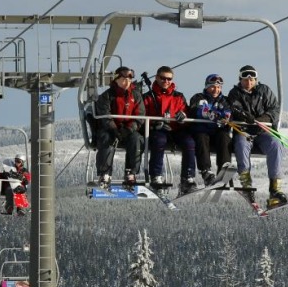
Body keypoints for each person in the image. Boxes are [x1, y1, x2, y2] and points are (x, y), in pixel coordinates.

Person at [226, 64, 287, 207]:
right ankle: (246, 183)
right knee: (241, 145)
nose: (249, 82)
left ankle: (275, 189)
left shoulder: (264, 90)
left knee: (276, 145)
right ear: (240, 80)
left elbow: (274, 109)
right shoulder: (235, 93)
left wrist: (264, 119)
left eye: (251, 80)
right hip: (244, 130)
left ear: (255, 80)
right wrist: (244, 115)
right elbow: (234, 108)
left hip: (263, 130)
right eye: (245, 80)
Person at [142, 65, 198, 194]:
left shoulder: (178, 96)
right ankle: (156, 175)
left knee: (189, 142)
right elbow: (142, 115)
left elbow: (185, 111)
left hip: (176, 129)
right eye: (163, 78)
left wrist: (183, 116)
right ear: (157, 78)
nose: (166, 81)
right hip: (158, 130)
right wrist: (154, 124)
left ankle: (187, 178)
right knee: (159, 140)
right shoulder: (148, 97)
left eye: (169, 79)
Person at [94, 65, 145, 189]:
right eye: (123, 79)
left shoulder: (135, 95)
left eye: (129, 79)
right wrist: (114, 129)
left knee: (136, 139)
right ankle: (105, 174)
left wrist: (129, 129)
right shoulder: (107, 95)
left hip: (128, 130)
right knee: (105, 138)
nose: (127, 82)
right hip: (110, 129)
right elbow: (105, 114)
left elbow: (140, 115)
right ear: (116, 79)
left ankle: (131, 173)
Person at [188, 73, 232, 186]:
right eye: (212, 87)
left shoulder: (224, 100)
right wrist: (210, 114)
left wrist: (224, 117)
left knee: (224, 136)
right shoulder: (198, 97)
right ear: (207, 86)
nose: (216, 90)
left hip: (217, 132)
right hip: (202, 130)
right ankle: (206, 171)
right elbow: (196, 110)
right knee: (201, 137)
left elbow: (228, 112)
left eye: (218, 87)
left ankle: (224, 170)